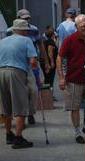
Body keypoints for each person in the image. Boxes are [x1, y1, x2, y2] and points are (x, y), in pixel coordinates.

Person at [56, 14, 85, 144]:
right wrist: (61, 78)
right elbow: (59, 58)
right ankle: (77, 132)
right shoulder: (69, 40)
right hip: (74, 80)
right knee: (75, 108)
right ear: (76, 27)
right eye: (82, 25)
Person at [8, 9, 51, 125]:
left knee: (33, 90)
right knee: (18, 91)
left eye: (28, 18)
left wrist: (46, 62)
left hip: (32, 62)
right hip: (17, 63)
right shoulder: (10, 31)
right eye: (24, 18)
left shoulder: (34, 29)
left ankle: (31, 113)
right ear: (18, 18)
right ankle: (18, 115)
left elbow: (41, 45)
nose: (26, 20)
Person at [0, 19, 38, 148]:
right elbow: (33, 61)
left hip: (1, 72)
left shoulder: (2, 41)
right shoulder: (27, 40)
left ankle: (8, 134)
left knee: (6, 106)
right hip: (16, 72)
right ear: (23, 30)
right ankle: (18, 138)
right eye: (26, 30)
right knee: (21, 105)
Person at [41, 25, 58, 99]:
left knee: (47, 79)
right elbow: (50, 52)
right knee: (50, 79)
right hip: (49, 63)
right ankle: (49, 96)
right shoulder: (51, 42)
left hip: (43, 62)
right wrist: (52, 62)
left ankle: (47, 95)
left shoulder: (45, 41)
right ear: (53, 35)